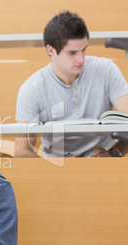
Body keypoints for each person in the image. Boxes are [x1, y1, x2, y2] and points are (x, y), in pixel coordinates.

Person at [15, 10, 128, 158]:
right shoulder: (32, 88)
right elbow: (22, 150)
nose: (81, 59)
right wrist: (57, 170)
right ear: (51, 50)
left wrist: (113, 154)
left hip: (103, 165)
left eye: (84, 49)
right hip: (57, 171)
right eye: (72, 53)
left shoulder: (106, 70)